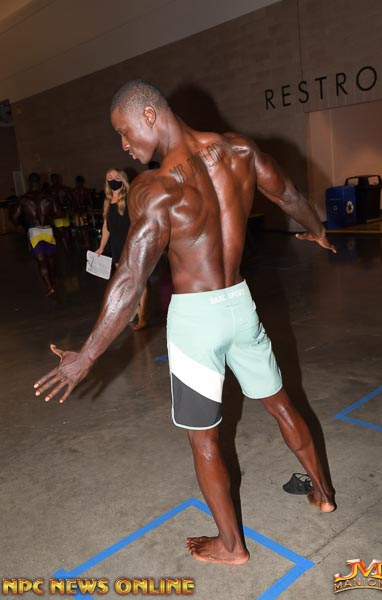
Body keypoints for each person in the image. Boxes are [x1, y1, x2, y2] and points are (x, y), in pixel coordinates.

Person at [34, 80, 337, 565]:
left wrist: (86, 356)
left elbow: (132, 277)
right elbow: (290, 196)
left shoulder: (155, 189)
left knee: (204, 438)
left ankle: (232, 546)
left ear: (149, 115)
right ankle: (323, 494)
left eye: (124, 131)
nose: (124, 145)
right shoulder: (241, 150)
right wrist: (318, 231)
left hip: (196, 321)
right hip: (240, 304)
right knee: (281, 404)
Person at [96, 168, 148, 330]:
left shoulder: (129, 197)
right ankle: (134, 309)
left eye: (116, 177)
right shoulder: (107, 201)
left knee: (138, 281)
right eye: (109, 177)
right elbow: (106, 227)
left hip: (132, 244)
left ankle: (143, 316)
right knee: (126, 281)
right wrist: (101, 247)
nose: (112, 179)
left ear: (122, 179)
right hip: (116, 246)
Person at [14, 172, 60, 295]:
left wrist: (22, 222)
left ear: (29, 182)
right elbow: (58, 214)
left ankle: (49, 287)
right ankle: (53, 280)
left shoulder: (24, 199)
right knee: (50, 258)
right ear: (39, 181)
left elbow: (15, 217)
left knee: (41, 261)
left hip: (34, 231)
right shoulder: (49, 197)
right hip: (47, 229)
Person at [70, 175, 92, 248]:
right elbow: (90, 202)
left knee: (81, 227)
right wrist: (90, 209)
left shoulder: (73, 191)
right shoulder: (86, 190)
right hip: (82, 211)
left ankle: (85, 242)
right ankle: (85, 242)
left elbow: (71, 202)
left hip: (78, 211)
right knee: (83, 227)